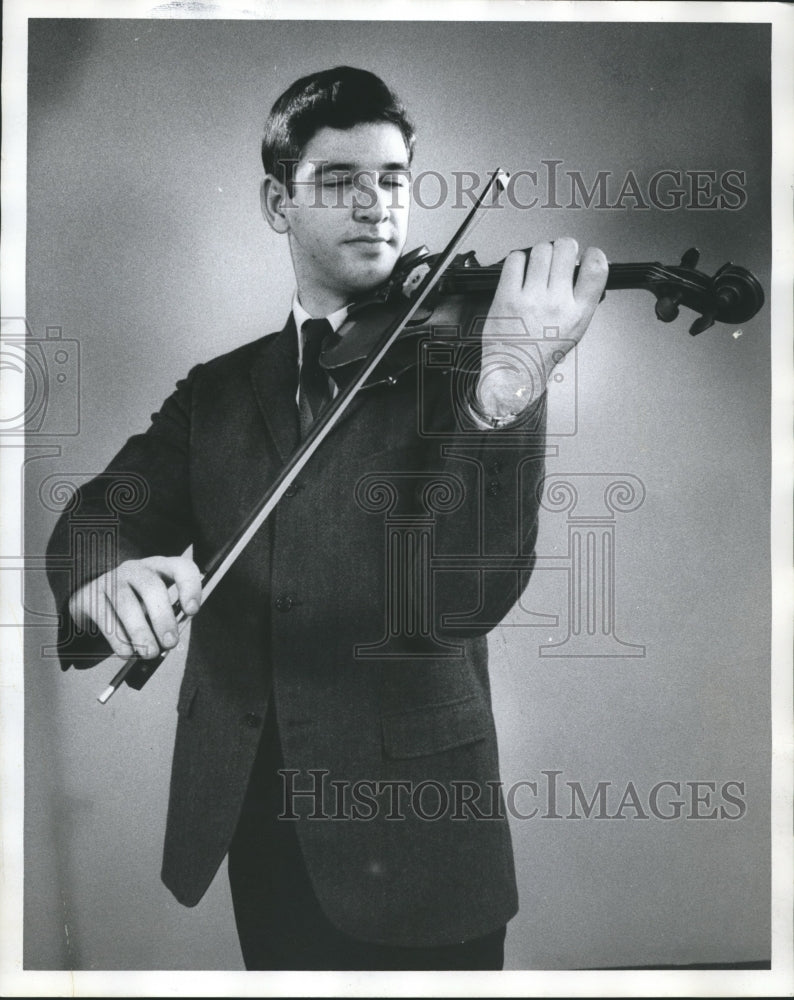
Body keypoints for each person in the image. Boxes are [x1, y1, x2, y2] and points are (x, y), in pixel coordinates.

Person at [46, 66, 607, 971]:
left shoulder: (472, 367)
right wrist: (103, 580)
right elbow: (97, 517)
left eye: (392, 180)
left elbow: (465, 598)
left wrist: (509, 387)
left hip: (419, 827)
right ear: (278, 204)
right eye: (340, 181)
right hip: (256, 817)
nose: (376, 205)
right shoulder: (219, 393)